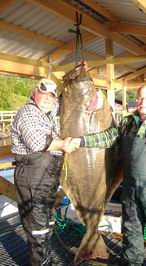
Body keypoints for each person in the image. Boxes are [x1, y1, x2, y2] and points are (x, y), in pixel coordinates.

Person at [64, 85, 146, 266]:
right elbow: (108, 137)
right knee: (131, 230)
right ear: (136, 101)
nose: (143, 102)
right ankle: (132, 262)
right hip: (130, 187)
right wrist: (81, 141)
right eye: (140, 98)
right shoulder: (127, 122)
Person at [11, 78, 65, 266]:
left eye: (51, 96)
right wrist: (65, 144)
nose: (48, 99)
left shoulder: (48, 113)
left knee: (46, 227)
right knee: (38, 232)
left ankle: (45, 262)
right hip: (32, 180)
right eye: (43, 94)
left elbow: (68, 100)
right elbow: (38, 143)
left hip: (47, 181)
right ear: (35, 93)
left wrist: (75, 75)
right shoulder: (28, 113)